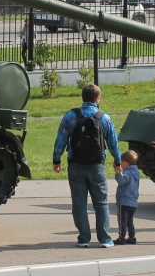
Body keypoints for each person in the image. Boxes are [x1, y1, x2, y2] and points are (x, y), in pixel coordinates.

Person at [52, 83, 121, 247]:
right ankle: (105, 239)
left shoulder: (71, 116)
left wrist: (57, 159)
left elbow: (61, 137)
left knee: (79, 203)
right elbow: (113, 141)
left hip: (76, 164)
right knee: (101, 203)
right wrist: (117, 160)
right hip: (97, 165)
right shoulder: (104, 118)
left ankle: (84, 238)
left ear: (82, 97)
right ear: (97, 99)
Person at [114, 150, 140, 245]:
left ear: (125, 162)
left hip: (124, 200)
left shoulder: (127, 173)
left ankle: (122, 237)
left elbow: (122, 180)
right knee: (130, 220)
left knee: (122, 220)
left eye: (121, 162)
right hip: (133, 201)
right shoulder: (136, 173)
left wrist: (118, 173)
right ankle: (132, 237)